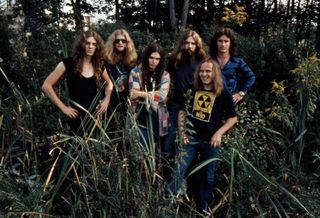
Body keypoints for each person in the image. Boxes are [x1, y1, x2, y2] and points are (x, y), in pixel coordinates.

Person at [171, 58, 237, 212]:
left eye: (208, 71)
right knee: (179, 170)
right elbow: (182, 111)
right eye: (201, 71)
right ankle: (168, 204)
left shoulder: (223, 93)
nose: (204, 74)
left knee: (208, 176)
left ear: (215, 73)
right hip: (191, 138)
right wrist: (182, 132)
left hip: (210, 141)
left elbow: (233, 118)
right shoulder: (191, 89)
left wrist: (218, 133)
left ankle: (202, 207)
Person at [42, 30, 113, 135]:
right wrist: (63, 107)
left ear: (97, 47)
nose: (90, 46)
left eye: (94, 44)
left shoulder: (98, 65)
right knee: (77, 149)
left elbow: (110, 83)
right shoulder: (68, 63)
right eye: (87, 43)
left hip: (96, 116)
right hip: (76, 116)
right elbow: (46, 86)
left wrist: (106, 100)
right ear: (81, 45)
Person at [164, 30, 207, 185]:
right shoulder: (175, 60)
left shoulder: (203, 61)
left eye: (192, 43)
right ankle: (168, 181)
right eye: (186, 43)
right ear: (182, 44)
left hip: (196, 107)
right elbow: (166, 78)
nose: (189, 46)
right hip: (176, 106)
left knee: (189, 144)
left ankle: (186, 183)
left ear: (197, 45)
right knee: (169, 143)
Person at [128, 42, 170, 150]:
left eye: (157, 59)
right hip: (140, 118)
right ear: (147, 57)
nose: (154, 61)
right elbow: (133, 95)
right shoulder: (136, 72)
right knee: (140, 152)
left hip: (159, 119)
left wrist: (142, 94)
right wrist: (153, 95)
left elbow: (162, 96)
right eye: (151, 58)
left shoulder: (164, 75)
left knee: (159, 155)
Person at [209, 27, 255, 104]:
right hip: (211, 102)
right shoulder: (209, 61)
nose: (223, 44)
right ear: (216, 42)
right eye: (220, 41)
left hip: (229, 103)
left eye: (226, 41)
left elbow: (251, 77)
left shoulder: (237, 61)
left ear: (231, 43)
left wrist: (241, 93)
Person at [105, 29, 137, 115]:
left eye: (123, 41)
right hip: (110, 102)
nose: (120, 43)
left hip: (127, 102)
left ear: (127, 43)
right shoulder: (106, 61)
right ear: (113, 43)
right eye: (117, 40)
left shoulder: (132, 61)